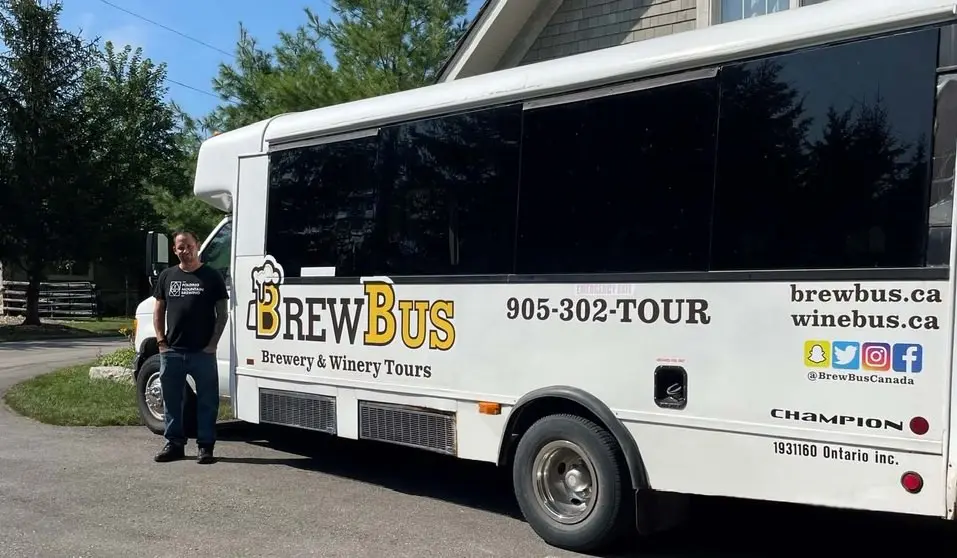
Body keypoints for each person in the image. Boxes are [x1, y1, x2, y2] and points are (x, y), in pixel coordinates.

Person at [152, 230, 229, 464]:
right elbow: (158, 310)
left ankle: (205, 446)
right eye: (180, 247)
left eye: (189, 246)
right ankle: (174, 444)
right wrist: (161, 341)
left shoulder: (212, 276)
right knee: (172, 401)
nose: (185, 251)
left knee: (207, 401)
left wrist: (213, 344)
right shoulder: (167, 276)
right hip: (172, 351)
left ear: (197, 246)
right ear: (174, 250)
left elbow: (222, 314)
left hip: (202, 353)